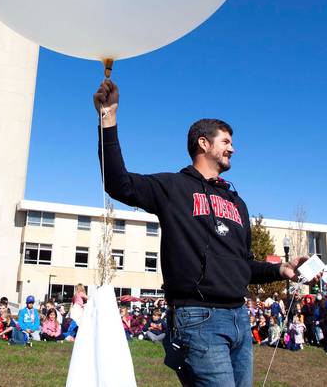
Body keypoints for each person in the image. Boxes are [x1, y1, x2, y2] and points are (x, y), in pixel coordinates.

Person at [94, 80, 315, 386]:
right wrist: (108, 118)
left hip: (239, 318)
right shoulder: (172, 187)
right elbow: (117, 182)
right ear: (203, 143)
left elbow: (244, 266)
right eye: (226, 141)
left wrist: (281, 269)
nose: (233, 149)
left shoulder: (237, 203)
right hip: (197, 319)